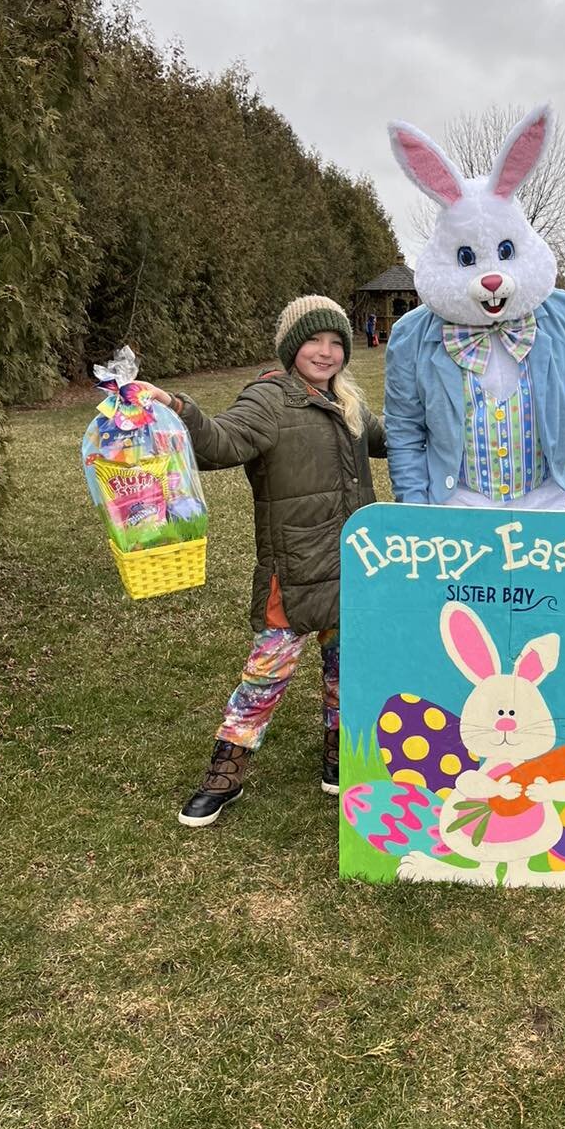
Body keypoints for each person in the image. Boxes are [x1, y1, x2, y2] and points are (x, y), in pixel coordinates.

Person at [142, 296, 387, 827]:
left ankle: (338, 756)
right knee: (266, 674)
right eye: (314, 341)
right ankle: (226, 771)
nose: (325, 353)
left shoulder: (348, 404)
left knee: (349, 669)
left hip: (354, 565)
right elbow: (219, 443)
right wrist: (178, 409)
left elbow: (392, 439)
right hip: (294, 569)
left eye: (335, 343)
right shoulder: (269, 400)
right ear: (290, 346)